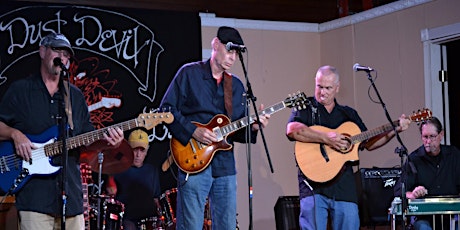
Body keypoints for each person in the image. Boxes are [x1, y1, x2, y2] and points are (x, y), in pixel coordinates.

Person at [0, 32, 124, 230]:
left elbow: (88, 142)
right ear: (42, 51)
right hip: (34, 199)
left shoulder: (74, 96)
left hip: (71, 198)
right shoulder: (20, 90)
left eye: (66, 54)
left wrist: (109, 142)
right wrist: (15, 135)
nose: (62, 57)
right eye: (57, 50)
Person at [160, 26, 270, 230]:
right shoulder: (189, 74)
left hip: (224, 165)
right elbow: (166, 109)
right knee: (191, 225)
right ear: (215, 45)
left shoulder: (236, 86)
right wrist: (193, 131)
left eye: (236, 53)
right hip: (192, 160)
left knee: (227, 225)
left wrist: (254, 127)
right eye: (229, 51)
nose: (233, 58)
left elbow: (235, 130)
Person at [286, 65, 411, 230]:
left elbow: (368, 143)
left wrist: (394, 131)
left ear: (337, 88)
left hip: (344, 187)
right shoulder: (306, 107)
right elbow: (293, 130)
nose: (322, 92)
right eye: (319, 86)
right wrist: (326, 138)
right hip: (312, 186)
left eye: (328, 88)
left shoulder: (348, 115)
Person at [394, 117, 460, 230]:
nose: (428, 141)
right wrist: (412, 194)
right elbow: (399, 191)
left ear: (441, 134)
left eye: (432, 136)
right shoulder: (413, 159)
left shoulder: (453, 155)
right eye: (425, 137)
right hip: (424, 218)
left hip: (453, 215)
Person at [106, 129, 162, 230]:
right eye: (135, 149)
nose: (138, 155)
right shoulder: (118, 169)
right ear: (128, 149)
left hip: (148, 221)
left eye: (142, 150)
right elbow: (110, 197)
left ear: (147, 151)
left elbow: (156, 199)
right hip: (126, 221)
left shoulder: (152, 171)